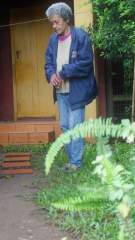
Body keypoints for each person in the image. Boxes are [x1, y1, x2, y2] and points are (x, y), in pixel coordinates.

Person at [44, 2, 97, 170]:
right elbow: (48, 63)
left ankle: (76, 163)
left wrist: (63, 72)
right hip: (61, 92)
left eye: (56, 22)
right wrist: (51, 74)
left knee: (75, 127)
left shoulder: (81, 36)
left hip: (77, 91)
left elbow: (86, 63)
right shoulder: (53, 40)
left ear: (66, 19)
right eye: (52, 22)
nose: (54, 26)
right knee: (65, 126)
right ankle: (72, 161)